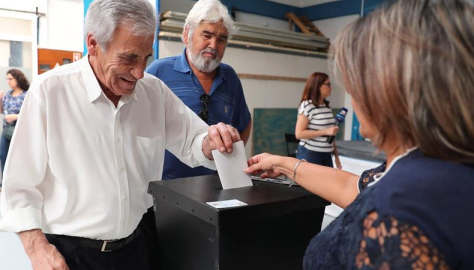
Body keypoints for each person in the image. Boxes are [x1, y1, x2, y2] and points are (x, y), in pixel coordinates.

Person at [0, 0, 241, 269]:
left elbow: (192, 140)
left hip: (137, 246)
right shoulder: (50, 92)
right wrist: (36, 248)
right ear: (93, 43)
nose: (139, 72)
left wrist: (212, 139)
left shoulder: (153, 92)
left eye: (146, 58)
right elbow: (19, 187)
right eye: (129, 58)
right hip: (72, 253)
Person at [245, 0, 474, 268]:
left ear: (387, 91)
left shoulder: (397, 215)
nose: (350, 98)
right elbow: (352, 187)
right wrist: (281, 162)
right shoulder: (435, 163)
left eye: (354, 84)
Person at [146, 0, 252, 180]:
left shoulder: (230, 78)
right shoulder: (158, 72)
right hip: (166, 186)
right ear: (187, 34)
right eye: (207, 35)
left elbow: (244, 124)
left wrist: (231, 162)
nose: (213, 45)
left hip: (214, 184)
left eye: (221, 39)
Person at [295, 72, 341, 169]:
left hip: (327, 154)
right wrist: (325, 131)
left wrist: (336, 157)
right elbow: (299, 134)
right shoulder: (308, 105)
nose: (331, 88)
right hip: (310, 154)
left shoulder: (326, 107)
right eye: (328, 84)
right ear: (317, 86)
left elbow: (331, 135)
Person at [0, 69, 29, 193]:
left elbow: (30, 113)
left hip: (20, 132)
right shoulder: (7, 95)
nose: (7, 81)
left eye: (10, 79)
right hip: (7, 131)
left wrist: (15, 117)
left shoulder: (27, 95)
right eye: (6, 79)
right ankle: (4, 184)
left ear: (17, 79)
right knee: (3, 156)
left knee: (21, 158)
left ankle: (22, 185)